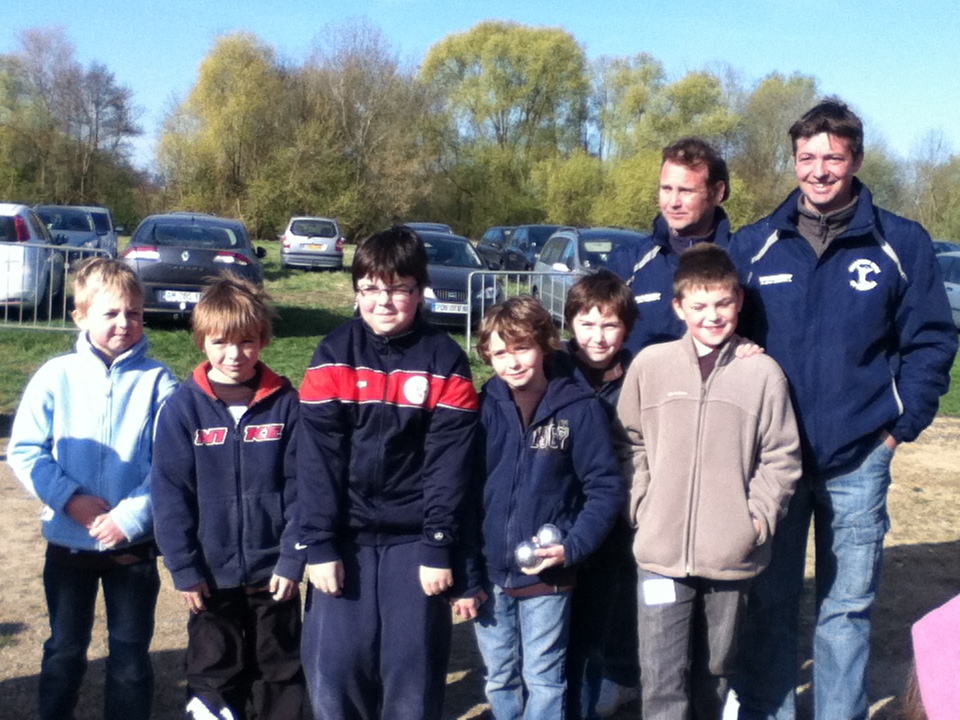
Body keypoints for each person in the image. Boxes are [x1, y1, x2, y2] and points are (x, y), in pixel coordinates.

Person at [729, 98, 958, 720]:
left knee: (846, 611)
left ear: (855, 159)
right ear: (793, 161)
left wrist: (897, 430)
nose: (819, 170)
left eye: (832, 157)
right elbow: (721, 333)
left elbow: (932, 341)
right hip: (774, 462)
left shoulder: (901, 242)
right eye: (807, 157)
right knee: (769, 604)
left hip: (860, 458)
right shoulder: (756, 244)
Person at [296, 225, 479, 720]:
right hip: (345, 539)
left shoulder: (446, 361)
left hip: (414, 541)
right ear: (356, 292)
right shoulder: (333, 355)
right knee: (336, 674)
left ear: (420, 291)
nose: (383, 301)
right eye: (371, 288)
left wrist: (438, 545)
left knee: (411, 677)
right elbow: (317, 460)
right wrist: (319, 544)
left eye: (398, 288)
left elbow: (448, 467)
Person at [616, 243, 801, 719]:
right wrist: (641, 504)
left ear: (739, 301)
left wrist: (755, 521)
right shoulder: (651, 366)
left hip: (731, 554)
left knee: (717, 669)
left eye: (722, 303)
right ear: (678, 307)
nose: (712, 316)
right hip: (660, 552)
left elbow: (781, 457)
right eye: (699, 306)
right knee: (661, 675)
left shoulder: (762, 374)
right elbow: (628, 441)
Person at [7, 258, 178, 720]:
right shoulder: (55, 376)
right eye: (111, 313)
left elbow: (170, 463)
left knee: (130, 656)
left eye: (134, 313)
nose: (125, 323)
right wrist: (69, 500)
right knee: (64, 649)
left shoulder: (159, 382)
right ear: (80, 316)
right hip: (69, 546)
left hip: (132, 548)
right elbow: (25, 451)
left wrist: (130, 517)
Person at [458, 295, 625, 719]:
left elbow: (605, 488)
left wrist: (573, 546)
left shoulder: (579, 409)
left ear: (545, 345)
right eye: (500, 353)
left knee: (545, 678)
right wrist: (469, 574)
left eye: (522, 348)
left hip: (549, 574)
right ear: (486, 355)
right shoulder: (483, 407)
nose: (512, 362)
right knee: (500, 676)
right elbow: (467, 493)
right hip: (492, 572)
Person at [151, 274, 305, 720]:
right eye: (220, 342)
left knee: (279, 670)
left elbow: (302, 489)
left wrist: (292, 559)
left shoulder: (286, 405)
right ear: (201, 340)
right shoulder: (183, 408)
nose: (234, 354)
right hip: (209, 577)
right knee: (213, 672)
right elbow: (170, 495)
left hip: (273, 575)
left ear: (264, 339)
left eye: (246, 341)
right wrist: (184, 568)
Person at [552, 270, 640, 719]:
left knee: (592, 634)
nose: (598, 336)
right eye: (587, 324)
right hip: (553, 515)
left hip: (611, 522)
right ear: (570, 323)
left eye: (610, 325)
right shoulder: (550, 368)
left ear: (627, 328)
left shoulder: (640, 373)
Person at [606, 137, 733, 353]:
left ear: (717, 192)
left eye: (686, 191)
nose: (673, 202)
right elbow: (594, 342)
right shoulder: (627, 263)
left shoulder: (743, 259)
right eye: (666, 189)